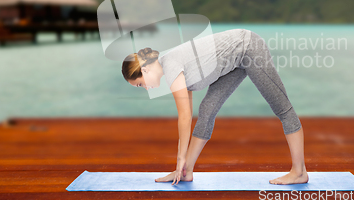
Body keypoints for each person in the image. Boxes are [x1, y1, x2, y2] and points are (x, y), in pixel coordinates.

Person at [121, 28, 308, 185]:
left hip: (248, 48)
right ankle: (187, 172)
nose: (145, 88)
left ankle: (299, 172)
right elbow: (189, 114)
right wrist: (182, 163)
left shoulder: (170, 66)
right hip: (234, 63)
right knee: (207, 110)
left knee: (282, 108)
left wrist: (180, 159)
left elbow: (184, 118)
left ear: (144, 70)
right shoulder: (171, 68)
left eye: (140, 84)